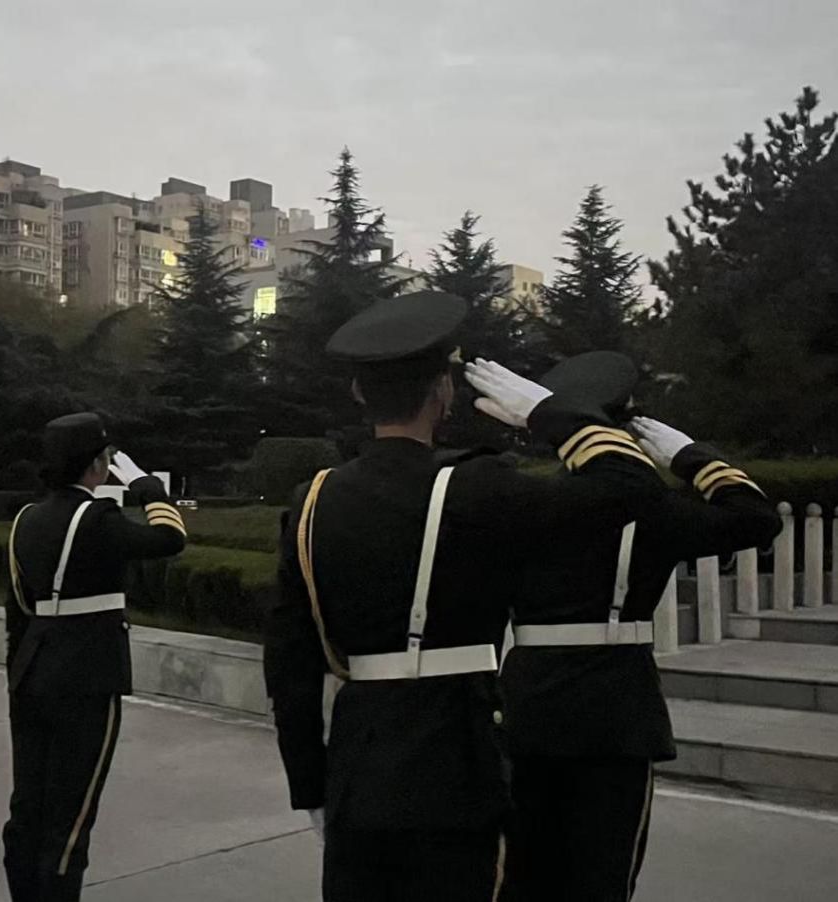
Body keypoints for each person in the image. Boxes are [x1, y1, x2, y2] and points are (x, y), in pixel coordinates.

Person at [263, 290, 678, 902]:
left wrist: (310, 785)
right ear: (444, 392)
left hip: (357, 768)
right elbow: (630, 486)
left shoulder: (313, 500)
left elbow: (289, 661)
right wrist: (549, 413)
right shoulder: (477, 488)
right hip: (458, 765)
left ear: (358, 393)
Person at [498, 351, 781, 902]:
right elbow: (756, 518)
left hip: (528, 701)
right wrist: (692, 458)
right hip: (616, 710)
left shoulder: (526, 497)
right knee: (602, 877)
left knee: (523, 877)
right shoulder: (654, 511)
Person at [2, 412, 187, 901]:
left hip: (31, 674)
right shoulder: (97, 519)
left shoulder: (26, 519)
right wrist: (147, 488)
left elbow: (18, 608)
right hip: (86, 677)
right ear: (98, 465)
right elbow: (170, 538)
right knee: (71, 814)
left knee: (29, 808)